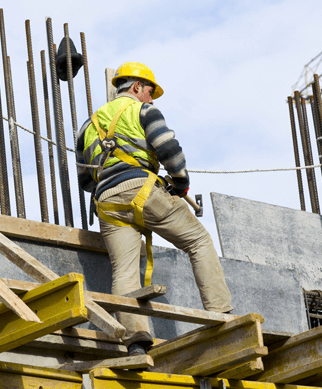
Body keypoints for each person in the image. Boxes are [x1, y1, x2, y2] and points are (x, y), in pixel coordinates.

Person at [76, 62, 232, 355]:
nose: (151, 99)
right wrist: (181, 184)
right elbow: (169, 149)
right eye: (149, 92)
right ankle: (222, 314)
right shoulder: (143, 111)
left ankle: (135, 341)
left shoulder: (87, 125)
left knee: (124, 271)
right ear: (136, 88)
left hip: (107, 202)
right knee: (198, 241)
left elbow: (85, 180)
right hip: (143, 191)